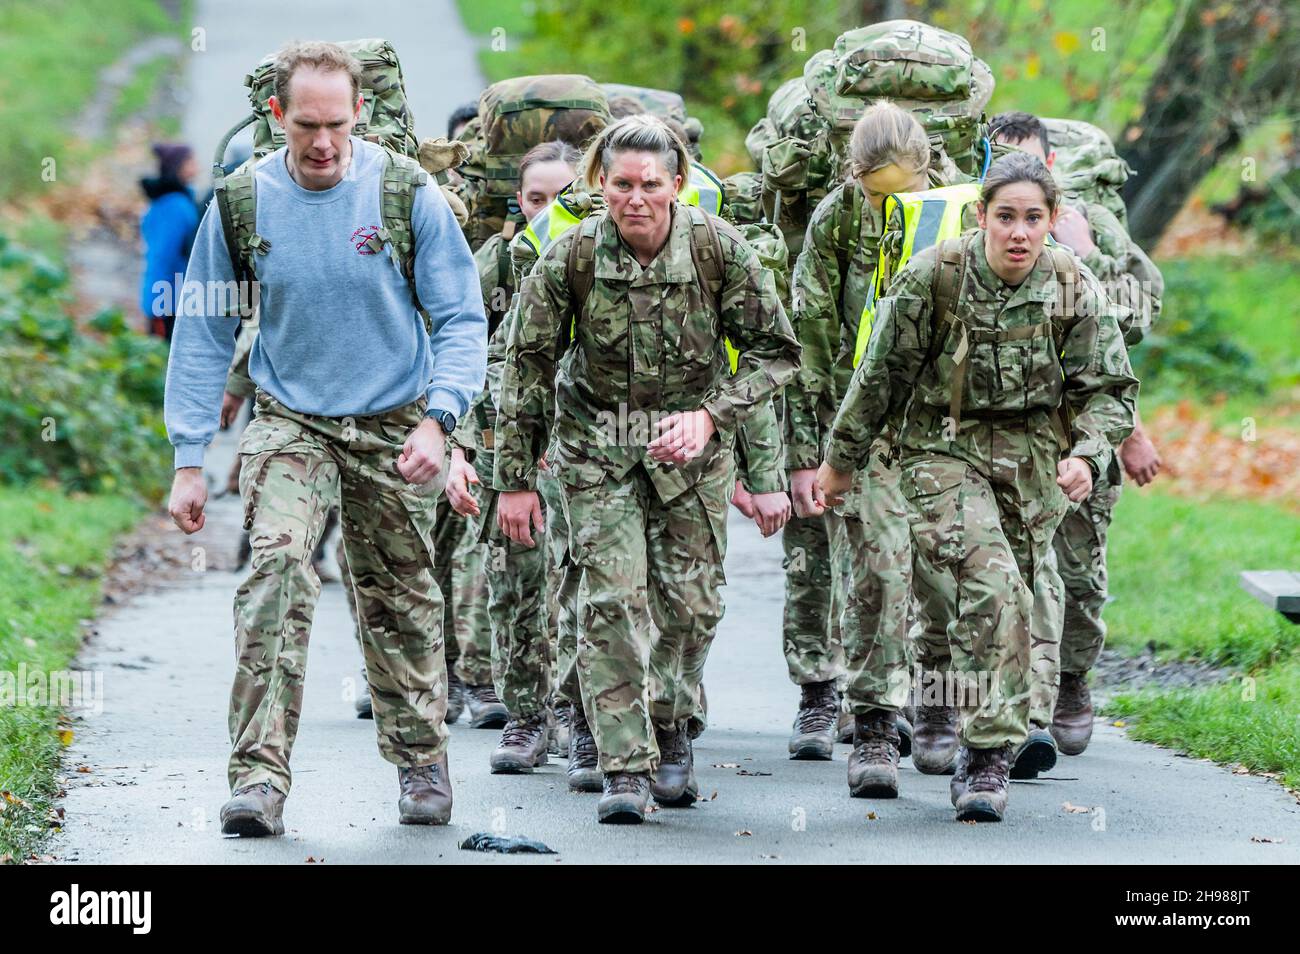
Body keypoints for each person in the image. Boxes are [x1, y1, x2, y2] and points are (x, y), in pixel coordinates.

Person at [164, 41, 487, 835]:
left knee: (400, 597)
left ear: (359, 115)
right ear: (276, 116)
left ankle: (420, 761)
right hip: (292, 420)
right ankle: (259, 778)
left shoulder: (407, 193)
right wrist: (189, 460)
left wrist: (440, 421)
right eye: (305, 124)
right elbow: (203, 332)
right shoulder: (242, 202)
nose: (321, 142)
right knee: (275, 569)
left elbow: (460, 320)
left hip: (393, 421)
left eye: (336, 125)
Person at [493, 114, 800, 824]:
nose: (635, 199)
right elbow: (526, 367)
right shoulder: (569, 257)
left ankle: (670, 727)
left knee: (690, 607)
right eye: (621, 184)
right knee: (610, 601)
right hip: (596, 448)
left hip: (691, 453)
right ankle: (623, 766)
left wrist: (712, 416)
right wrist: (513, 478)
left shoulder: (721, 251)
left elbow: (775, 352)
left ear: (679, 185)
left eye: (651, 185)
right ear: (599, 183)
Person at [816, 151, 1138, 822]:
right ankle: (984, 756)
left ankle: (980, 730)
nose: (1018, 233)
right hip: (941, 446)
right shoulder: (936, 276)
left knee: (1021, 598)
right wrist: (839, 460)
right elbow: (879, 376)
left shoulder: (1072, 284)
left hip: (1032, 459)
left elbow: (1108, 392)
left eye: (1033, 219)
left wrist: (1087, 453)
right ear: (980, 217)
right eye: (1005, 217)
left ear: (1052, 221)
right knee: (990, 583)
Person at [989, 112, 1163, 755]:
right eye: (999, 163)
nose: (1015, 176)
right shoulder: (979, 224)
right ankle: (1013, 717)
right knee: (1011, 575)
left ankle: (1072, 681)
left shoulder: (1090, 225)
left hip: (1085, 430)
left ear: (1051, 167)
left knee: (1080, 577)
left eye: (1027, 162)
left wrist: (1084, 259)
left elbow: (1135, 320)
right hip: (1005, 438)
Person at [787, 101, 949, 784]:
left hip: (944, 424)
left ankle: (941, 713)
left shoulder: (957, 208)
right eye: (877, 194)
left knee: (945, 573)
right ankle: (875, 726)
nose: (890, 209)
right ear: (855, 177)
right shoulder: (837, 220)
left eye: (902, 194)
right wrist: (820, 446)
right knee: (877, 575)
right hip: (863, 422)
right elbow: (812, 332)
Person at [444, 140, 584, 775]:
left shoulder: (600, 259)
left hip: (589, 447)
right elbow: (462, 355)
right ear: (517, 202)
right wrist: (462, 447)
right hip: (509, 449)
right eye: (535, 199)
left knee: (591, 588)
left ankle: (586, 716)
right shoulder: (496, 263)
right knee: (514, 580)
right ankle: (527, 718)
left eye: (562, 198)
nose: (547, 210)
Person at [140, 143, 199, 341]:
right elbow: (162, 256)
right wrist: (158, 305)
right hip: (168, 302)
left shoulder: (179, 199)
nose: (196, 165)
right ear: (179, 166)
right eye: (191, 161)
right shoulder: (174, 206)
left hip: (177, 298)